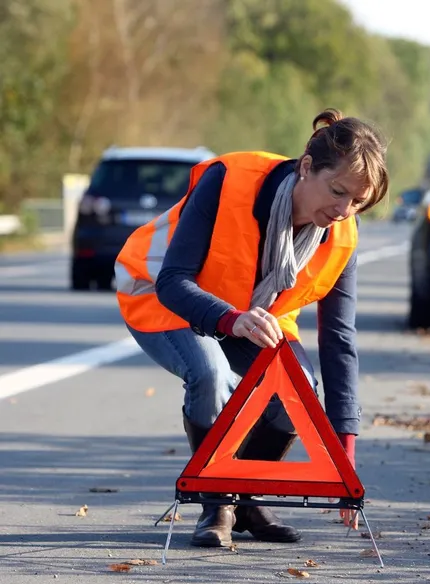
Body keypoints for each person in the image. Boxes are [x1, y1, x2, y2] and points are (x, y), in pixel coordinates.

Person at [113, 108, 389, 548]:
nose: (344, 211)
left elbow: (339, 337)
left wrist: (344, 448)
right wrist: (232, 320)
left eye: (358, 202)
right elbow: (173, 281)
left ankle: (244, 496)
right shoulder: (227, 181)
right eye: (338, 192)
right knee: (210, 373)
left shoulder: (343, 235)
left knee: (298, 390)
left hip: (251, 317)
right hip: (163, 297)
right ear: (306, 167)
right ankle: (217, 504)